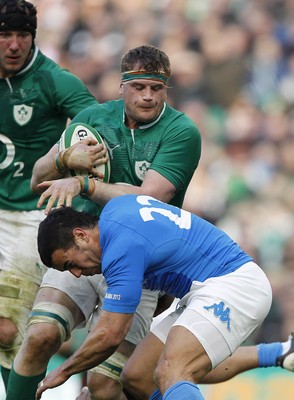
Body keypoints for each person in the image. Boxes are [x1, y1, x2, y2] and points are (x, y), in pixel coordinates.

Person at [6, 44, 202, 400]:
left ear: (166, 90)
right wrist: (65, 157)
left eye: (156, 89)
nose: (148, 97)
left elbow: (148, 198)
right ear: (121, 86)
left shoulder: (181, 131)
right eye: (139, 87)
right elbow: (38, 177)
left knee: (104, 386)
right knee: (40, 336)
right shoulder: (93, 119)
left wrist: (84, 183)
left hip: (140, 263)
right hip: (81, 249)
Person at [35, 194, 273, 400]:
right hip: (202, 291)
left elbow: (111, 333)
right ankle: (279, 353)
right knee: (138, 376)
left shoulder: (119, 252)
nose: (76, 274)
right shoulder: (117, 209)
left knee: (173, 370)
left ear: (81, 236)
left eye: (70, 264)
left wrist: (64, 370)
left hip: (234, 285)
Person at [0, 0, 98, 392]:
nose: (13, 44)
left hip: (28, 213)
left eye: (22, 34)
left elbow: (97, 124)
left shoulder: (54, 80)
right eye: (5, 34)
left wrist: (69, 155)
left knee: (9, 331)